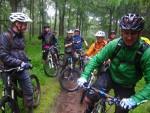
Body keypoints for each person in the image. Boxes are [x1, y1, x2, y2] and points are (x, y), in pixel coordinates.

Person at [77, 13, 150, 113]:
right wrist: (84, 76)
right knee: (88, 99)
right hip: (109, 76)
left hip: (127, 85)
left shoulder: (146, 53)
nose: (129, 37)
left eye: (133, 33)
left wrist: (135, 99)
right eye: (126, 32)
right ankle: (89, 109)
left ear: (139, 33)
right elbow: (97, 59)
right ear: (121, 31)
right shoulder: (114, 44)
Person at [0, 12, 33, 113]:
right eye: (24, 24)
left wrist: (26, 59)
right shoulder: (5, 36)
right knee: (10, 96)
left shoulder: (21, 36)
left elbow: (20, 51)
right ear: (17, 24)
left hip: (21, 68)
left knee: (29, 91)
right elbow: (3, 55)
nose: (26, 26)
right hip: (7, 69)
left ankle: (29, 109)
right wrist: (20, 62)